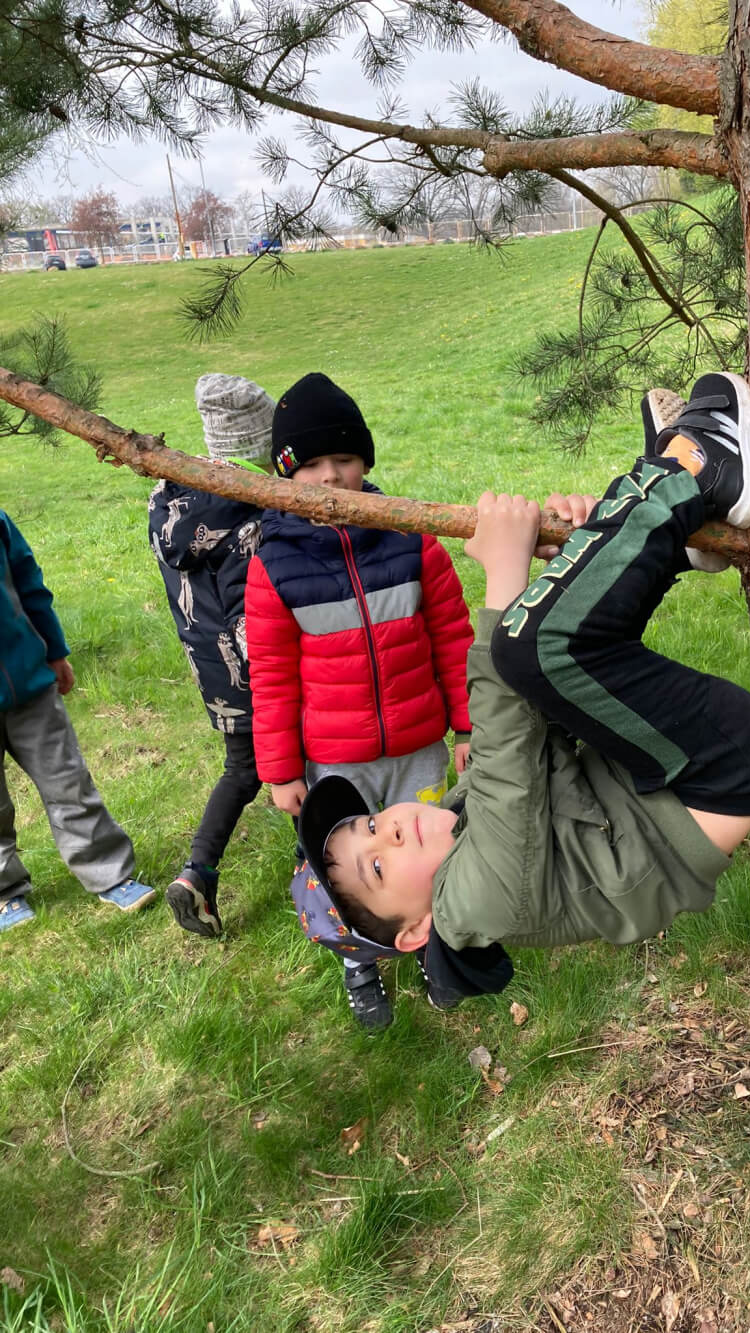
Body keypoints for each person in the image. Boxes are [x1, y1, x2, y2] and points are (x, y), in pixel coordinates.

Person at [294, 372, 750, 999]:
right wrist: (506, 577)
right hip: (718, 773)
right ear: (416, 931)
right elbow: (508, 760)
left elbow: (536, 721)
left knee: (541, 652)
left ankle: (661, 533)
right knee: (527, 648)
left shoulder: (453, 824)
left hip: (657, 776)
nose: (387, 832)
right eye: (378, 868)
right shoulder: (474, 906)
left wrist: (568, 568)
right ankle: (697, 472)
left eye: (369, 826)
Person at [245, 371, 475, 1028]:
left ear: (366, 463)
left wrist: (468, 727)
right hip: (334, 762)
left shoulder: (412, 538)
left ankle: (438, 943)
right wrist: (281, 771)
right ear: (284, 476)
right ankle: (358, 961)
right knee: (349, 869)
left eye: (344, 458)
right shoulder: (274, 564)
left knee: (430, 853)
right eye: (310, 465)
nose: (330, 476)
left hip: (419, 750)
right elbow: (271, 676)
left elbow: (453, 637)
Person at [149, 373, 276, 938]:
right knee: (302, 764)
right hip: (261, 669)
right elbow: (251, 607)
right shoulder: (253, 514)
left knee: (242, 769)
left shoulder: (171, 496)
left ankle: (197, 871)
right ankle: (318, 867)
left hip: (212, 672)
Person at [0, 511, 156, 933]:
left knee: (67, 781)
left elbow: (29, 584)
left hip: (29, 685)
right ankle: (3, 891)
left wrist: (54, 651)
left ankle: (109, 873)